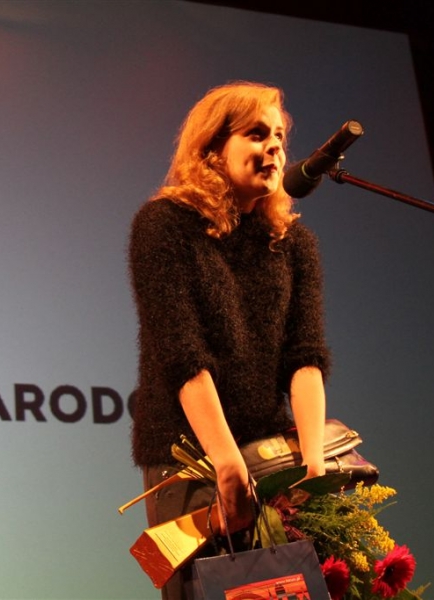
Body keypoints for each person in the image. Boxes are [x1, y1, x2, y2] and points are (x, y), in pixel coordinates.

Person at [128, 81, 331, 600]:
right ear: (212, 148)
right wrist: (227, 463)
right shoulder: (164, 224)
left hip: (268, 458)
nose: (275, 147)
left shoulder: (294, 242)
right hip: (191, 458)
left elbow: (305, 357)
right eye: (257, 134)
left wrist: (313, 466)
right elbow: (182, 356)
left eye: (279, 137)